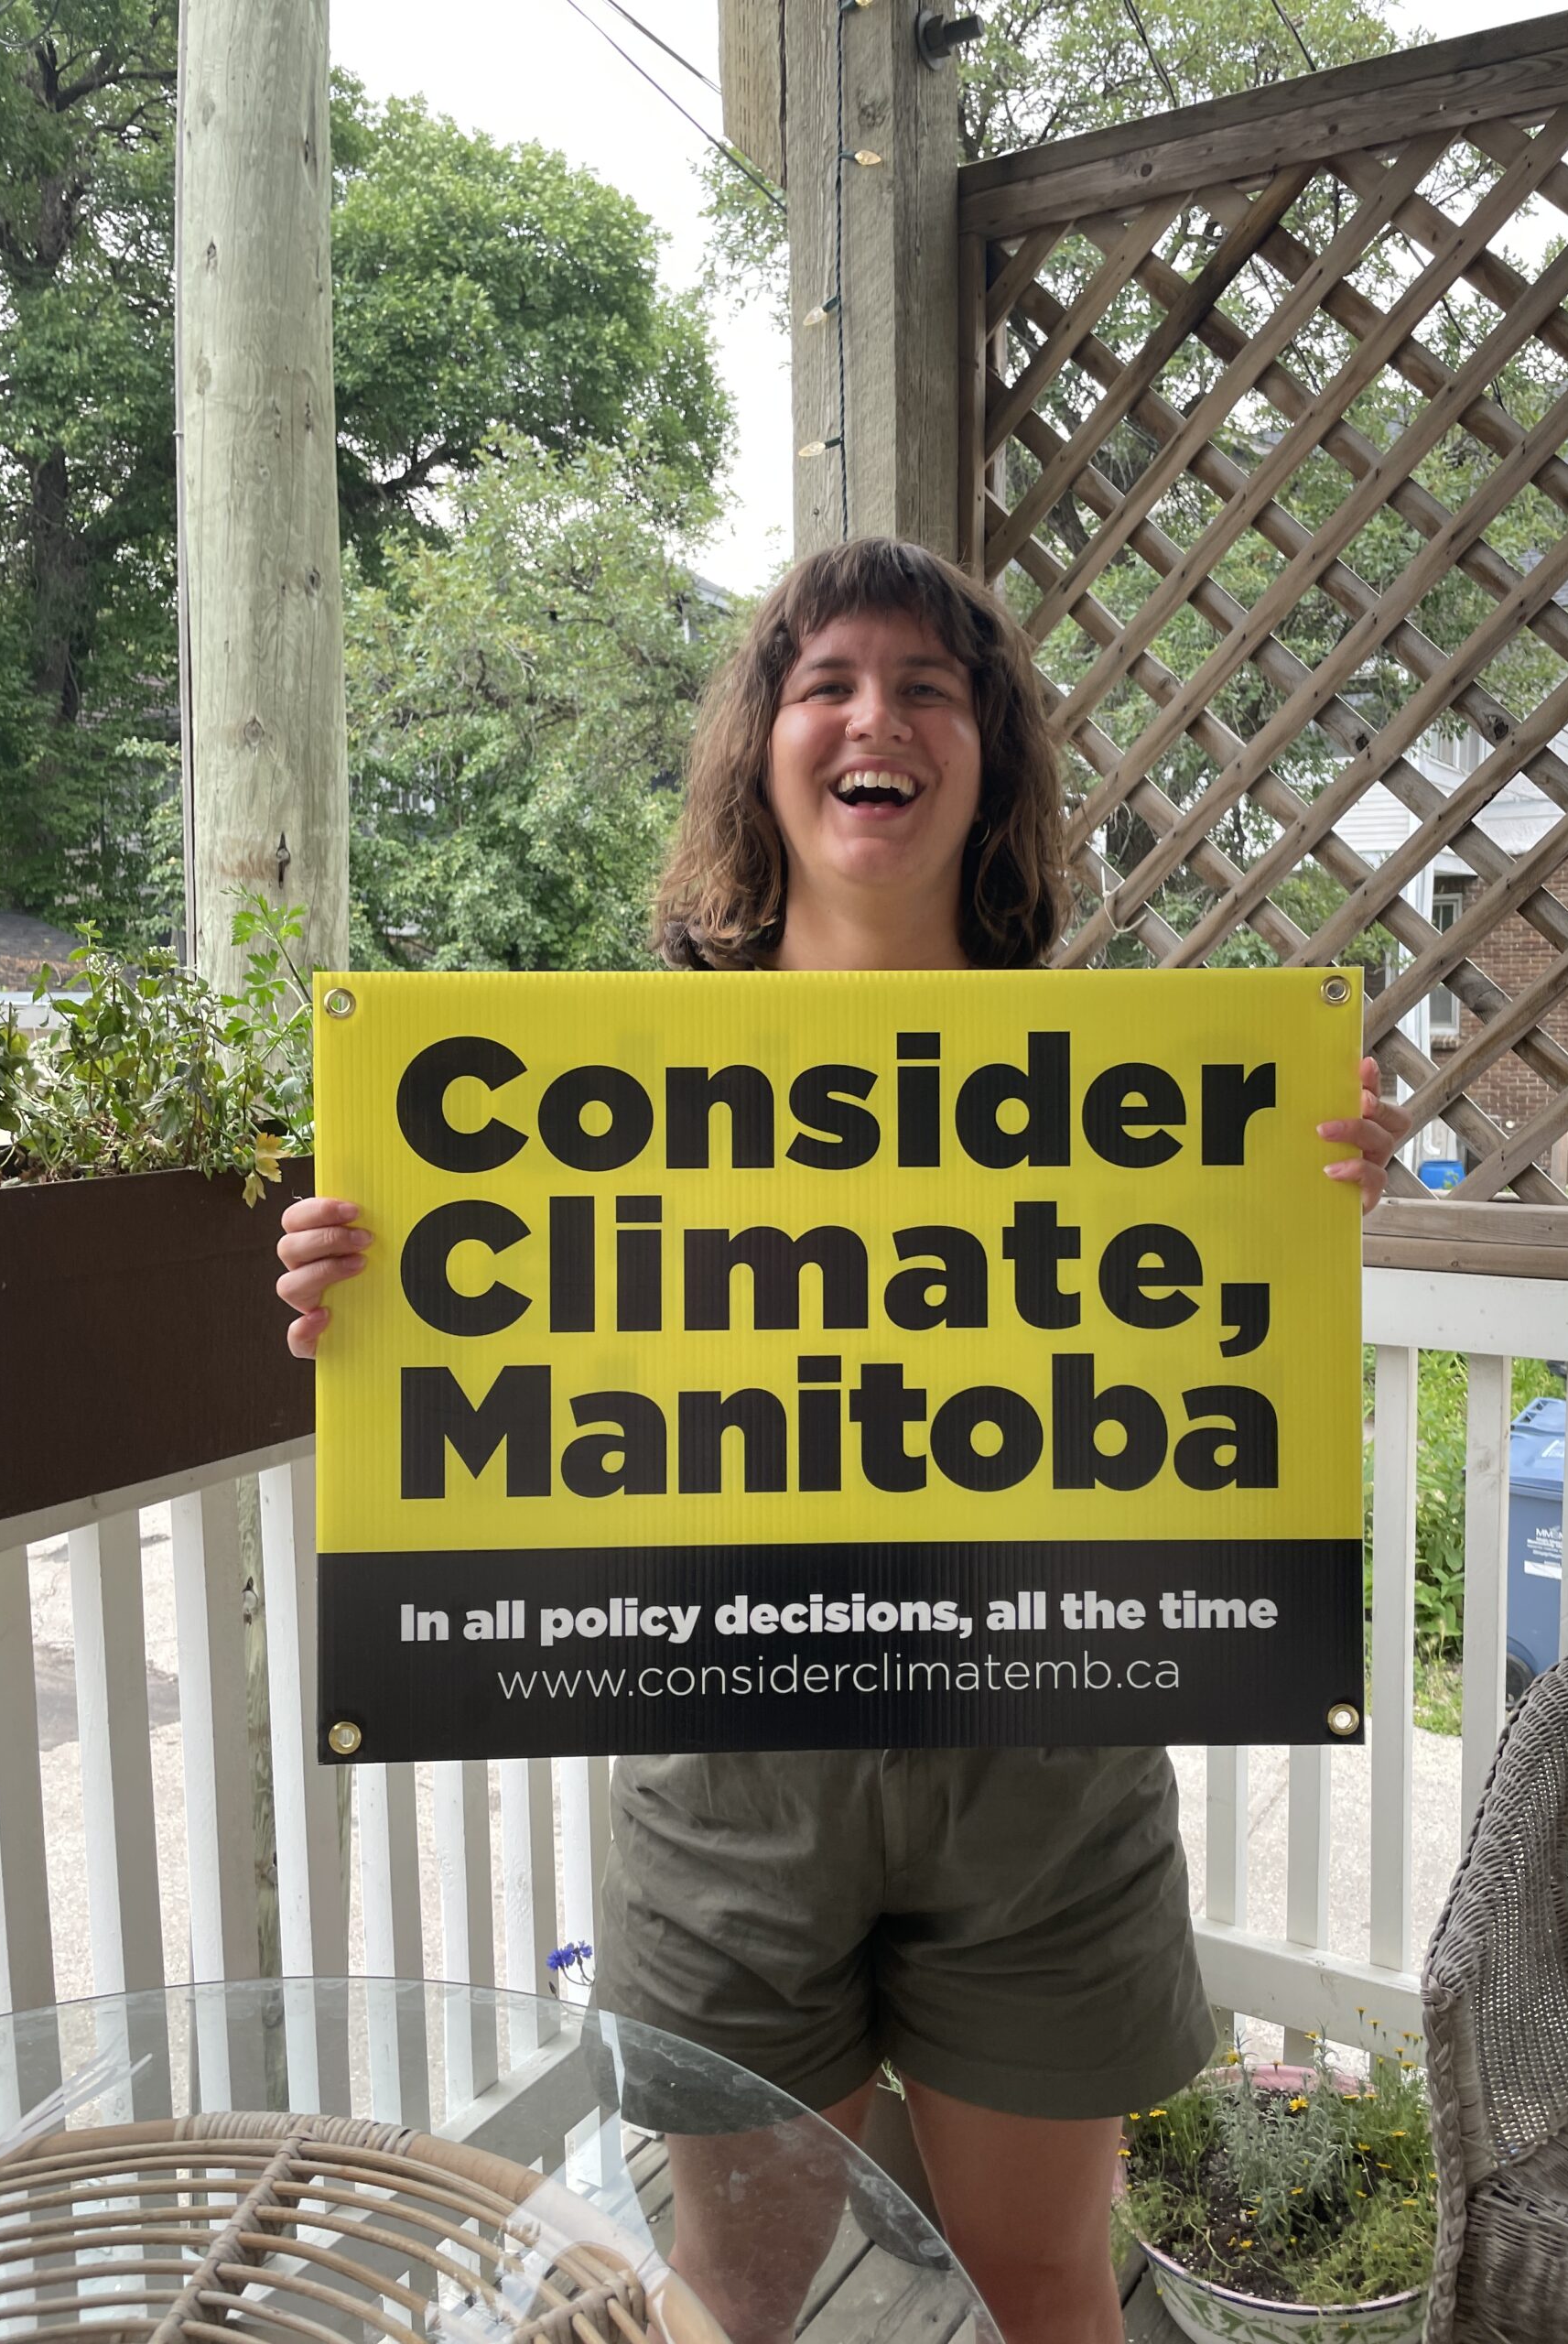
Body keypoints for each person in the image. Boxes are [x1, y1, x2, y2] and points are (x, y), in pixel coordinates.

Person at [277, 538, 1410, 2344]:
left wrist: (1316, 1185)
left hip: (1046, 1763)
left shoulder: (1150, 1073)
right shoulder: (610, 1083)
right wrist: (374, 1286)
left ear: (989, 757)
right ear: (767, 746)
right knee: (733, 2297)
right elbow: (530, 1383)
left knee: (1046, 2281)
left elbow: (1218, 1356)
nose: (874, 713)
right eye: (827, 681)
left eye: (926, 685)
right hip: (729, 1778)